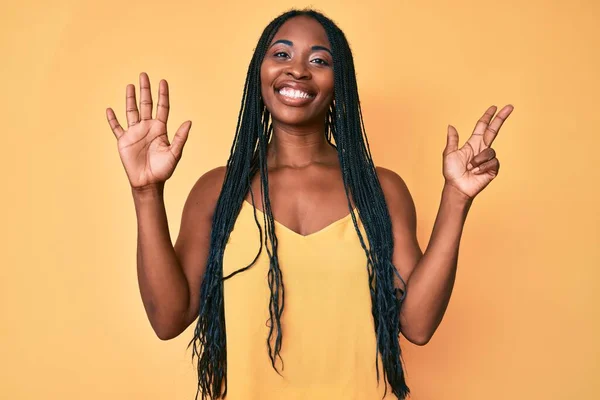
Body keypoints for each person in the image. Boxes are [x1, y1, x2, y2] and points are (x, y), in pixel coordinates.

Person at [105, 8, 513, 400]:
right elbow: (168, 319)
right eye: (281, 54)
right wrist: (146, 193)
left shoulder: (380, 190)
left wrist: (457, 197)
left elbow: (418, 325)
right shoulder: (218, 191)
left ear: (340, 83)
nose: (297, 69)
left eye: (319, 59)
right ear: (259, 74)